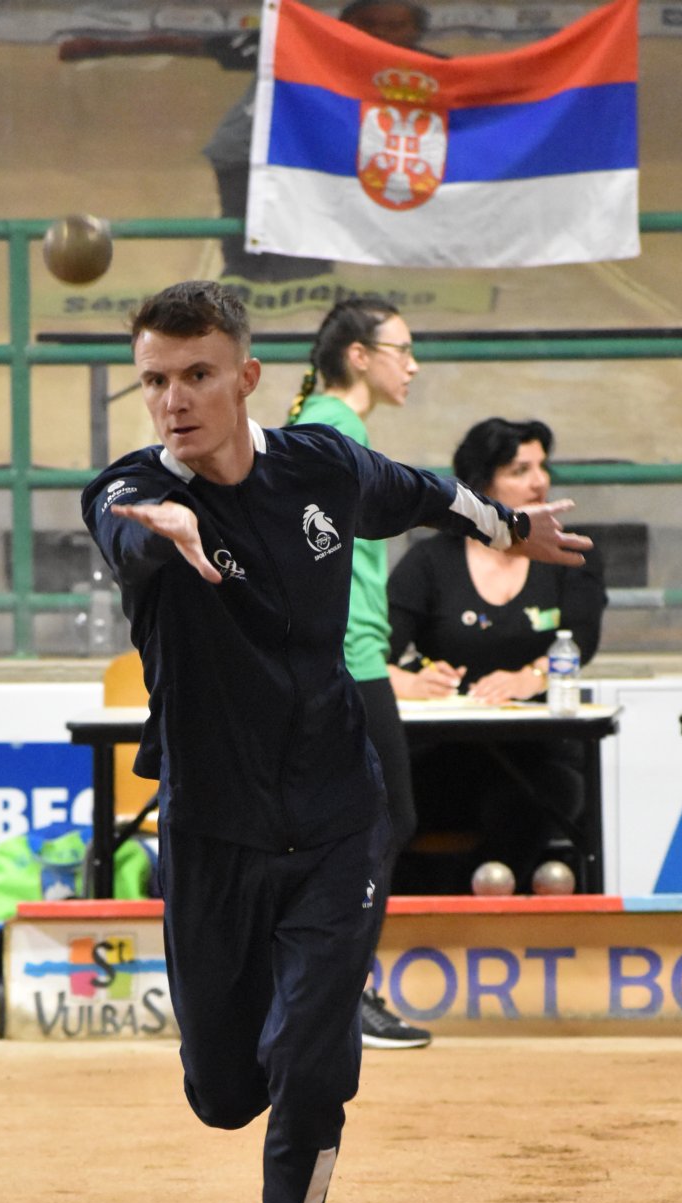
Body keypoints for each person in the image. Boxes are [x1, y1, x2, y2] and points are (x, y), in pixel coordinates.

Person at [81, 281, 589, 1203]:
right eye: (155, 380)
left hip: (333, 818)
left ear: (247, 376)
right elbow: (121, 530)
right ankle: (274, 1058)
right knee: (226, 1094)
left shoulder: (321, 464)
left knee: (312, 1065)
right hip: (210, 830)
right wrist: (162, 528)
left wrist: (512, 525)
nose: (174, 400)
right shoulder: (130, 492)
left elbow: (425, 493)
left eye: (197, 375)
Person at [286, 295, 430, 1050]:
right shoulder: (332, 430)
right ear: (359, 356)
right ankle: (340, 996)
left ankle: (326, 992)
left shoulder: (326, 425)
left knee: (355, 828)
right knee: (382, 822)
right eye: (401, 349)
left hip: (350, 657)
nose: (413, 364)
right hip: (344, 662)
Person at [386, 416, 608, 893]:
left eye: (542, 466)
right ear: (482, 484)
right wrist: (409, 682)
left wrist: (531, 676)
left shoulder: (572, 554)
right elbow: (375, 651)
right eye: (519, 470)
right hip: (445, 754)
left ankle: (476, 904)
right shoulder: (429, 561)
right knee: (386, 802)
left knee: (532, 801)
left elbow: (581, 639)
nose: (539, 481)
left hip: (539, 755)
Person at [60, 3, 431, 283]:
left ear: (415, 32)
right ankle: (242, 298)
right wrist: (102, 46)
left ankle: (293, 311)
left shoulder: (422, 69)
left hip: (313, 163)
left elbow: (459, 81)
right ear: (345, 24)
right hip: (248, 154)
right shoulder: (296, 43)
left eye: (395, 26)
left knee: (306, 253)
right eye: (368, 24)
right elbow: (193, 45)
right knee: (254, 248)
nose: (380, 33)